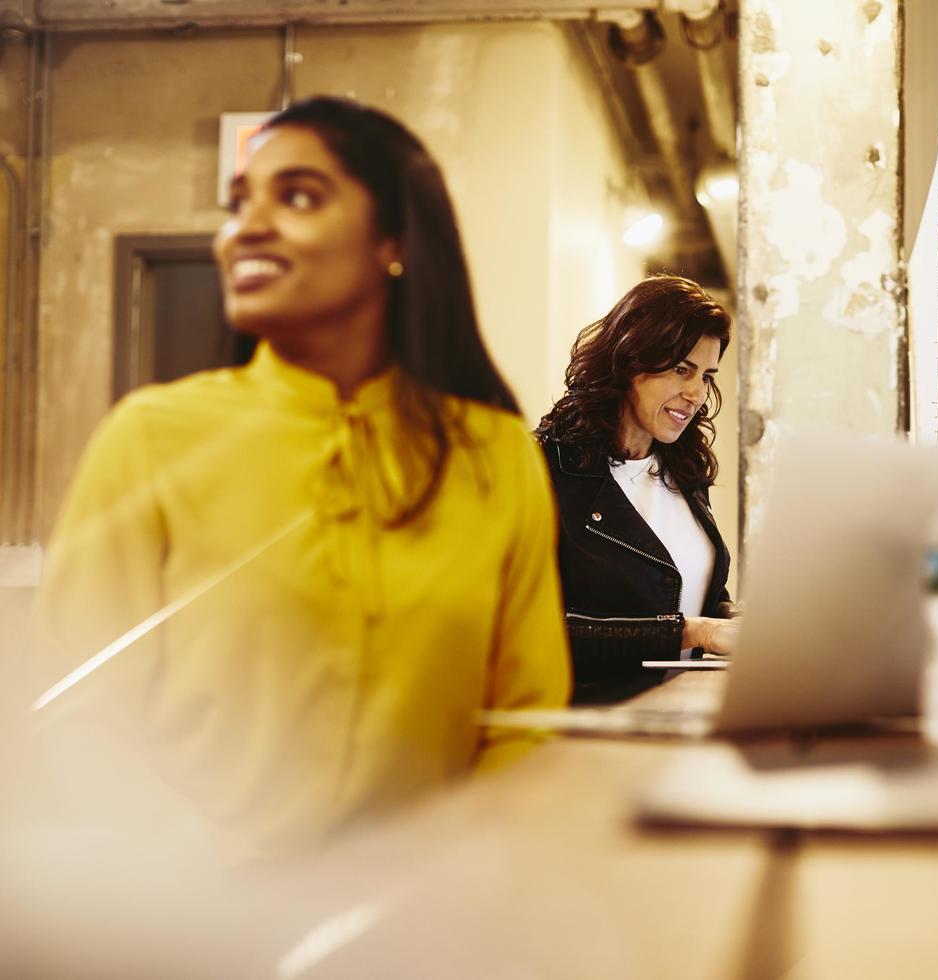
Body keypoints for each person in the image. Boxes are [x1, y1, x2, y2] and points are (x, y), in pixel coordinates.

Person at [34, 96, 570, 852]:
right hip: (196, 932)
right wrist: (205, 873)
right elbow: (78, 712)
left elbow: (524, 718)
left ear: (394, 238)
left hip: (423, 930)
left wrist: (449, 878)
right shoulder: (151, 436)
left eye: (297, 196)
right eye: (238, 203)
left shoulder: (494, 454)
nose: (244, 229)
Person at [536, 275, 740, 704]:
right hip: (587, 733)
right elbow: (534, 629)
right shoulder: (543, 471)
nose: (697, 393)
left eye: (707, 375)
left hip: (678, 719)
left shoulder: (683, 470)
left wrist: (736, 619)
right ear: (629, 359)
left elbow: (694, 587)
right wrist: (693, 630)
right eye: (681, 369)